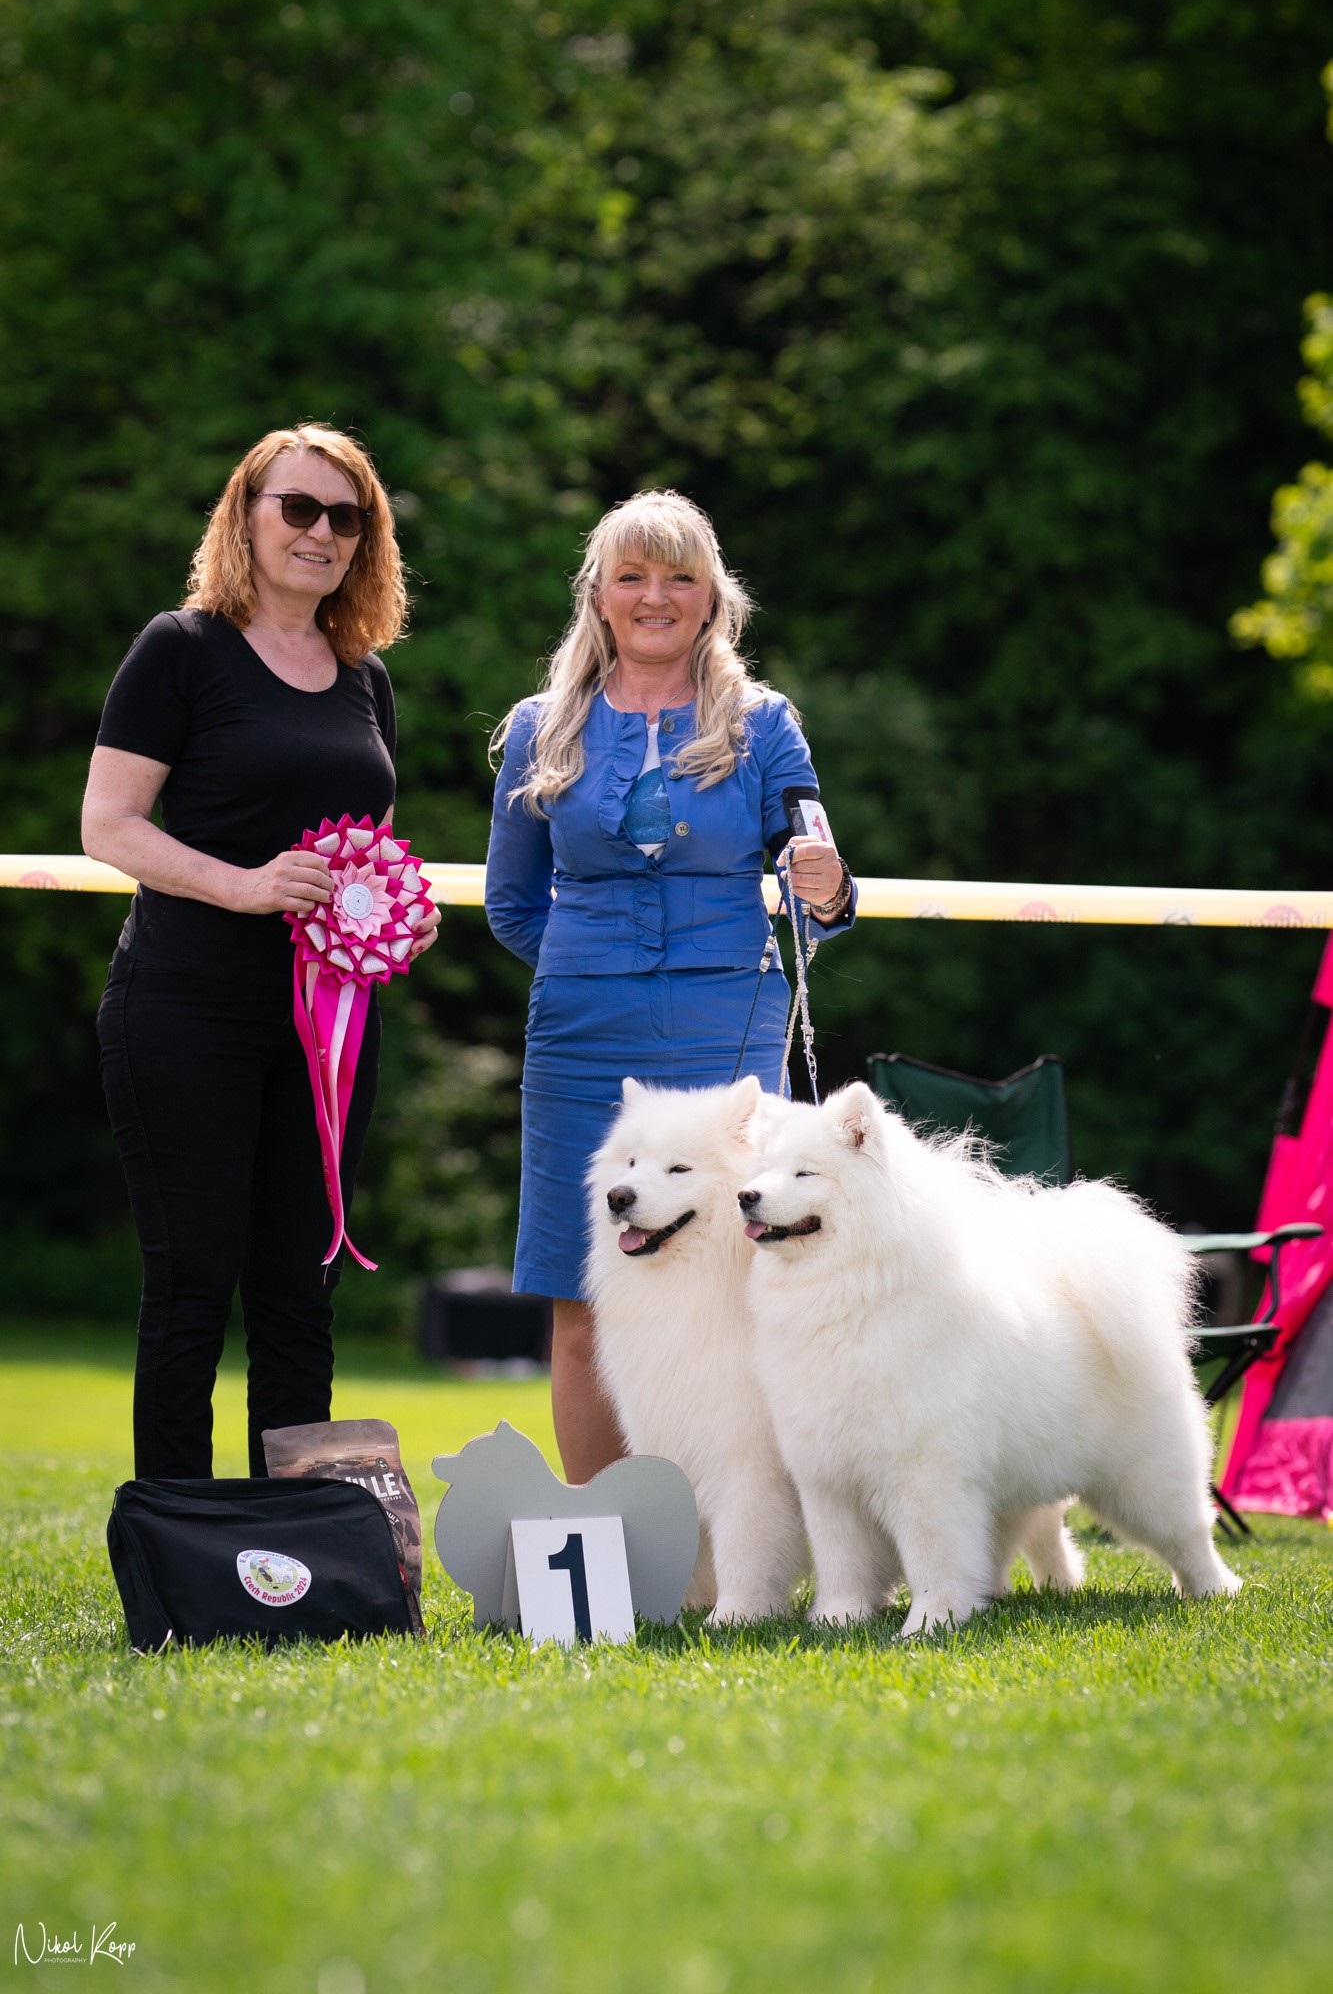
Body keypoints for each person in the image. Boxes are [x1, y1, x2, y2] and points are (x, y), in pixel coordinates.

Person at [81, 424, 441, 1479]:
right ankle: (177, 1534)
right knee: (191, 1285)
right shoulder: (180, 647)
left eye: (348, 516)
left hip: (328, 1027)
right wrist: (243, 886)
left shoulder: (365, 677)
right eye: (299, 507)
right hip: (186, 1006)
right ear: (245, 515)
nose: (322, 532)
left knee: (300, 1287)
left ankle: (296, 1543)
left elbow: (370, 849)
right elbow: (108, 824)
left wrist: (400, 915)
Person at [485, 489, 855, 1482]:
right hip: (579, 1037)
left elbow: (818, 879)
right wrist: (590, 960)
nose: (656, 596)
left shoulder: (765, 725)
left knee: (742, 1284)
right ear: (599, 594)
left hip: (726, 1034)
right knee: (582, 1297)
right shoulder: (538, 728)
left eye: (680, 576)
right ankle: (608, 1534)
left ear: (712, 598)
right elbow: (512, 903)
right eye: (633, 576)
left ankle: (736, 1531)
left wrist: (826, 886)